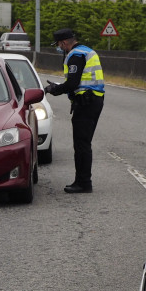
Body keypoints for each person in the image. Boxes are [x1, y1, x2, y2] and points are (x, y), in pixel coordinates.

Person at [44, 27, 105, 193]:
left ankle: (84, 183)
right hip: (94, 100)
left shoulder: (75, 55)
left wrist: (54, 90)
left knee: (82, 145)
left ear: (64, 42)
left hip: (85, 102)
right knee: (84, 143)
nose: (58, 47)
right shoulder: (86, 51)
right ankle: (83, 181)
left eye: (58, 44)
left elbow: (72, 83)